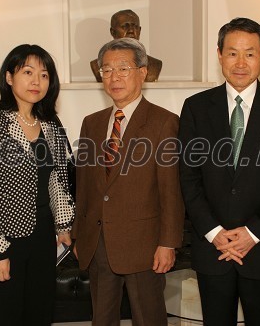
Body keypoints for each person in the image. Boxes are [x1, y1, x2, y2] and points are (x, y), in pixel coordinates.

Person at [178, 17, 260, 326]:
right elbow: (188, 177)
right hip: (213, 249)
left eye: (250, 53)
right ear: (219, 54)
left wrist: (252, 234)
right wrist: (215, 233)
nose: (241, 62)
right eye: (232, 52)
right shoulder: (195, 107)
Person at [73, 37, 184, 326]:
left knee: (149, 318)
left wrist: (168, 242)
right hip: (98, 241)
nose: (114, 77)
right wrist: (78, 233)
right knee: (102, 318)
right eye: (106, 70)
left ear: (143, 72)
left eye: (123, 68)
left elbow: (171, 190)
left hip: (146, 245)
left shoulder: (164, 122)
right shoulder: (92, 123)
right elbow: (84, 185)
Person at [0, 44, 75, 326]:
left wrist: (63, 226)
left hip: (42, 238)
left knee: (40, 315)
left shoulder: (51, 123)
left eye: (43, 74)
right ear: (8, 77)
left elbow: (57, 179)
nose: (36, 81)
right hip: (5, 239)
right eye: (27, 72)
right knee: (6, 318)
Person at [90, 9, 162, 82]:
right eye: (125, 26)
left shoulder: (155, 64)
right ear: (113, 32)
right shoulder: (97, 64)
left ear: (139, 31)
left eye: (135, 26)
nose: (131, 31)